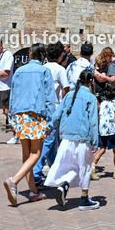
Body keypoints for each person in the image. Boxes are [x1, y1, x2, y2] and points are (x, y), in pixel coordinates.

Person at [3, 44, 56, 204]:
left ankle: (33, 191)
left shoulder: (19, 71)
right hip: (36, 115)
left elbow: (13, 95)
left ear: (30, 54)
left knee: (27, 156)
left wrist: (11, 117)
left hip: (19, 114)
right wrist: (50, 122)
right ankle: (14, 180)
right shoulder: (45, 71)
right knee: (36, 154)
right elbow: (49, 99)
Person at [41, 69, 101, 211]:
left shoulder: (69, 95)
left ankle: (64, 186)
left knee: (72, 166)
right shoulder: (91, 98)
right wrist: (95, 142)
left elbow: (57, 114)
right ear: (91, 82)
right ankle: (84, 199)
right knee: (84, 167)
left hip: (66, 137)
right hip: (83, 137)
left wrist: (49, 127)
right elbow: (93, 122)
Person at [33, 42, 68, 185]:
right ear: (60, 55)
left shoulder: (43, 68)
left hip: (42, 107)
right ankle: (36, 172)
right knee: (48, 140)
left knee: (52, 141)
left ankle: (55, 170)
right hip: (55, 107)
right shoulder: (60, 69)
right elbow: (66, 88)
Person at [91, 81, 115, 180]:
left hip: (102, 129)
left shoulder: (102, 103)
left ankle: (92, 167)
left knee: (102, 149)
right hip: (111, 129)